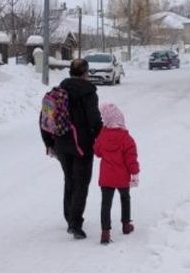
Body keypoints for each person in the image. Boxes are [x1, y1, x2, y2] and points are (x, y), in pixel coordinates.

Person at [41, 58, 103, 239]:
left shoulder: (58, 91)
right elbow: (94, 120)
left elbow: (45, 119)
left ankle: (69, 216)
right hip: (82, 145)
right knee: (81, 183)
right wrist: (103, 140)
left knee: (69, 179)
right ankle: (75, 223)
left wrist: (49, 143)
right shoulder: (89, 92)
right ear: (85, 72)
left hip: (61, 143)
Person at [92, 102, 139, 245]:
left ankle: (105, 233)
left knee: (106, 204)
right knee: (125, 199)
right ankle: (126, 225)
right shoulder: (126, 138)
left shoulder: (102, 135)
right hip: (122, 177)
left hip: (106, 177)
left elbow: (98, 153)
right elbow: (131, 158)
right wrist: (134, 172)